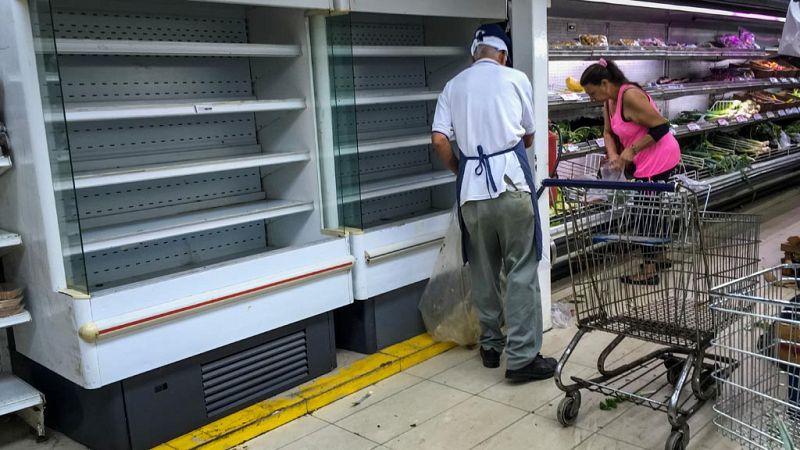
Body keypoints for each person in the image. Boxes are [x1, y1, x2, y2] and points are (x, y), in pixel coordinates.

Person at [430, 24, 557, 381]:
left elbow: (439, 139)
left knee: (483, 271)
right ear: (502, 55)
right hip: (511, 186)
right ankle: (522, 359)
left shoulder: (453, 86)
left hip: (471, 193)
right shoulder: (515, 78)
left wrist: (461, 168)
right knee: (521, 270)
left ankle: (490, 345)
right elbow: (529, 135)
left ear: (475, 53)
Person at [580, 58, 681, 285]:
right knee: (652, 207)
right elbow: (608, 132)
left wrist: (631, 150)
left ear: (605, 84)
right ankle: (659, 257)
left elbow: (662, 127)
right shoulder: (609, 101)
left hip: (659, 157)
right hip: (642, 159)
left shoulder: (630, 96)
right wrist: (614, 155)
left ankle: (649, 270)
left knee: (644, 212)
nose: (592, 98)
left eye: (593, 93)